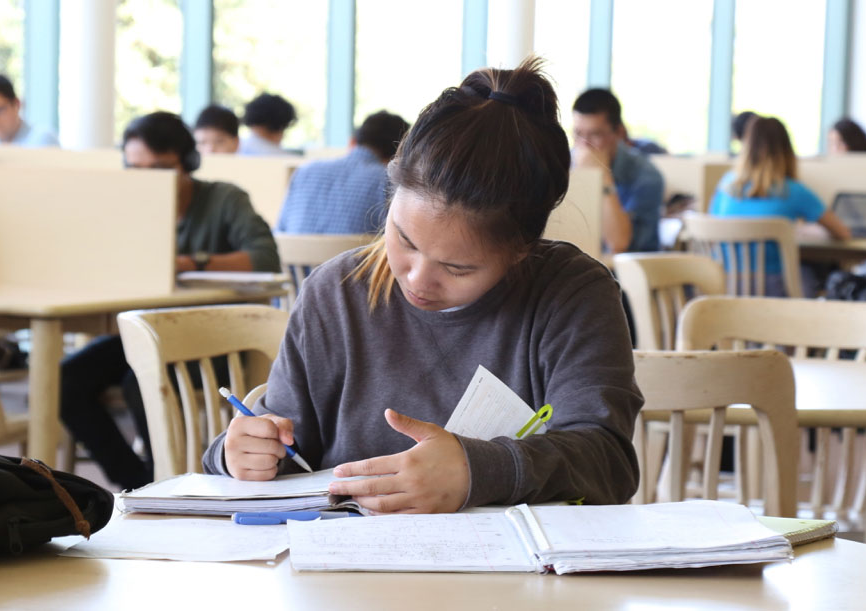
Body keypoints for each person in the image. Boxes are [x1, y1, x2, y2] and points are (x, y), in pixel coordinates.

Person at [202, 58, 642, 513]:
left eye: (458, 268)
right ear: (391, 194)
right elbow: (285, 451)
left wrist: (477, 470)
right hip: (346, 569)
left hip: (518, 576)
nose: (417, 279)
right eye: (404, 240)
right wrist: (237, 454)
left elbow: (608, 463)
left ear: (521, 251)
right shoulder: (335, 293)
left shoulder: (571, 294)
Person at [61, 111, 281, 490]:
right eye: (135, 169)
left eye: (159, 169)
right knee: (67, 377)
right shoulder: (127, 208)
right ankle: (138, 483)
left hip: (213, 343)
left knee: (139, 379)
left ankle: (164, 482)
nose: (147, 181)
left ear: (187, 164)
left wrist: (190, 261)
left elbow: (265, 258)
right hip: (147, 330)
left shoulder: (225, 199)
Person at [710, 116, 850, 296]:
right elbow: (843, 233)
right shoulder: (793, 191)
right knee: (815, 275)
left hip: (724, 286)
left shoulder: (726, 185)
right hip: (774, 291)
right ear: (786, 150)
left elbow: (712, 224)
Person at [275, 110, 410, 234]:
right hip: (357, 261)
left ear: (352, 141)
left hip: (294, 260)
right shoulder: (390, 180)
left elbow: (280, 230)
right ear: (399, 155)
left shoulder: (304, 172)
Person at [571, 88, 665, 253]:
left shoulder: (647, 177)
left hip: (631, 273)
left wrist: (603, 177)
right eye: (578, 134)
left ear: (619, 133)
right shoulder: (568, 164)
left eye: (595, 134)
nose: (584, 145)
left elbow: (619, 244)